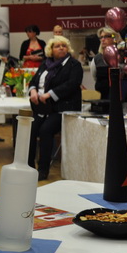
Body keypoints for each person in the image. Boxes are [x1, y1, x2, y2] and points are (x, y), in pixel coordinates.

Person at [27, 35, 83, 180]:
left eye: (64, 46)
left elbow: (71, 85)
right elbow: (33, 81)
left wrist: (49, 94)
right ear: (51, 50)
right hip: (44, 108)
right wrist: (33, 90)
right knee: (30, 130)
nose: (61, 48)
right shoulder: (45, 64)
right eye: (57, 46)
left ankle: (43, 170)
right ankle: (29, 168)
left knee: (45, 130)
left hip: (64, 108)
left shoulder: (74, 65)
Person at [90, 26, 127, 101]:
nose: (103, 39)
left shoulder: (122, 56)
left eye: (106, 36)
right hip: (104, 97)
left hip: (122, 95)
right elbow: (95, 77)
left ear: (114, 38)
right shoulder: (97, 58)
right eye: (101, 37)